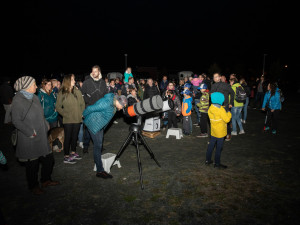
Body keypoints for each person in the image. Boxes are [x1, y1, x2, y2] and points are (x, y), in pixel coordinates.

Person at [11, 76, 59, 195]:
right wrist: (29, 132)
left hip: (42, 136)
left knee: (49, 159)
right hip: (30, 138)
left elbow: (40, 114)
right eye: (34, 85)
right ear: (26, 87)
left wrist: (46, 124)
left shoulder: (34, 97)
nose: (36, 86)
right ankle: (33, 186)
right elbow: (16, 121)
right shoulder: (18, 100)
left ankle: (45, 180)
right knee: (32, 164)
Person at [83, 94, 127, 178]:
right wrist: (83, 115)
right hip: (94, 124)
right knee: (98, 146)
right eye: (122, 106)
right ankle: (100, 171)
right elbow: (90, 108)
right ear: (118, 102)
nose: (121, 108)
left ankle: (86, 146)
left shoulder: (113, 104)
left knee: (98, 144)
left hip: (99, 125)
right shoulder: (106, 102)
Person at [56, 74, 85, 164]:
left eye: (74, 79)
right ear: (68, 81)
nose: (74, 81)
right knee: (67, 137)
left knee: (74, 137)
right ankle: (66, 156)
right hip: (68, 120)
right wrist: (65, 114)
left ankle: (73, 152)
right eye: (72, 79)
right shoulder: (62, 92)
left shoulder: (77, 91)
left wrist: (81, 114)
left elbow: (82, 104)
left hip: (77, 118)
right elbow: (58, 107)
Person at [81, 65, 107, 154]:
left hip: (100, 110)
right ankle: (86, 146)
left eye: (95, 71)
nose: (93, 73)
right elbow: (82, 94)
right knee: (89, 129)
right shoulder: (87, 82)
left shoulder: (103, 83)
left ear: (99, 72)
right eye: (92, 71)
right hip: (90, 109)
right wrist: (86, 99)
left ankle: (100, 145)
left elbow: (105, 95)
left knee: (100, 128)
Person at [205, 92, 232, 169]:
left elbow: (217, 110)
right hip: (220, 131)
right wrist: (229, 113)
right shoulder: (221, 110)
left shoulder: (210, 108)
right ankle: (217, 163)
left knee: (211, 145)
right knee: (219, 148)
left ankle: (208, 160)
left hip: (213, 130)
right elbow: (226, 119)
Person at [210, 73, 235, 141]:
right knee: (217, 121)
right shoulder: (213, 85)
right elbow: (211, 95)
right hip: (216, 106)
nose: (215, 78)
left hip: (224, 105)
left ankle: (228, 134)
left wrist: (231, 103)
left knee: (226, 120)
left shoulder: (225, 85)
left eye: (216, 77)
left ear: (220, 77)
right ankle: (217, 135)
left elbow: (232, 93)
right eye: (214, 77)